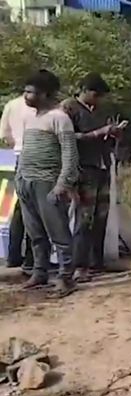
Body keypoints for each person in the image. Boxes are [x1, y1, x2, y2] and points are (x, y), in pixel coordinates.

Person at [16, 70, 81, 297]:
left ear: (44, 94)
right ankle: (40, 272)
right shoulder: (30, 117)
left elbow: (70, 155)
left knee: (59, 233)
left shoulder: (60, 118)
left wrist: (62, 184)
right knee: (35, 233)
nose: (25, 96)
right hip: (26, 182)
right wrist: (20, 179)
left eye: (30, 92)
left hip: (48, 182)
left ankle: (65, 277)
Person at [61, 73, 122, 282]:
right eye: (95, 94)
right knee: (83, 219)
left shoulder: (99, 111)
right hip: (83, 169)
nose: (98, 99)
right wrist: (98, 133)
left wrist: (113, 134)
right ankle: (80, 265)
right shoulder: (68, 108)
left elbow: (104, 135)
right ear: (84, 91)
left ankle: (97, 261)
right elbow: (66, 138)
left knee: (101, 216)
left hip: (102, 166)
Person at [0, 93, 38, 273]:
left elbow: (4, 133)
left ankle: (13, 255)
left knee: (17, 207)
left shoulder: (11, 105)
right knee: (34, 207)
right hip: (35, 156)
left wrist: (15, 145)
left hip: (15, 156)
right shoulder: (42, 107)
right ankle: (31, 258)